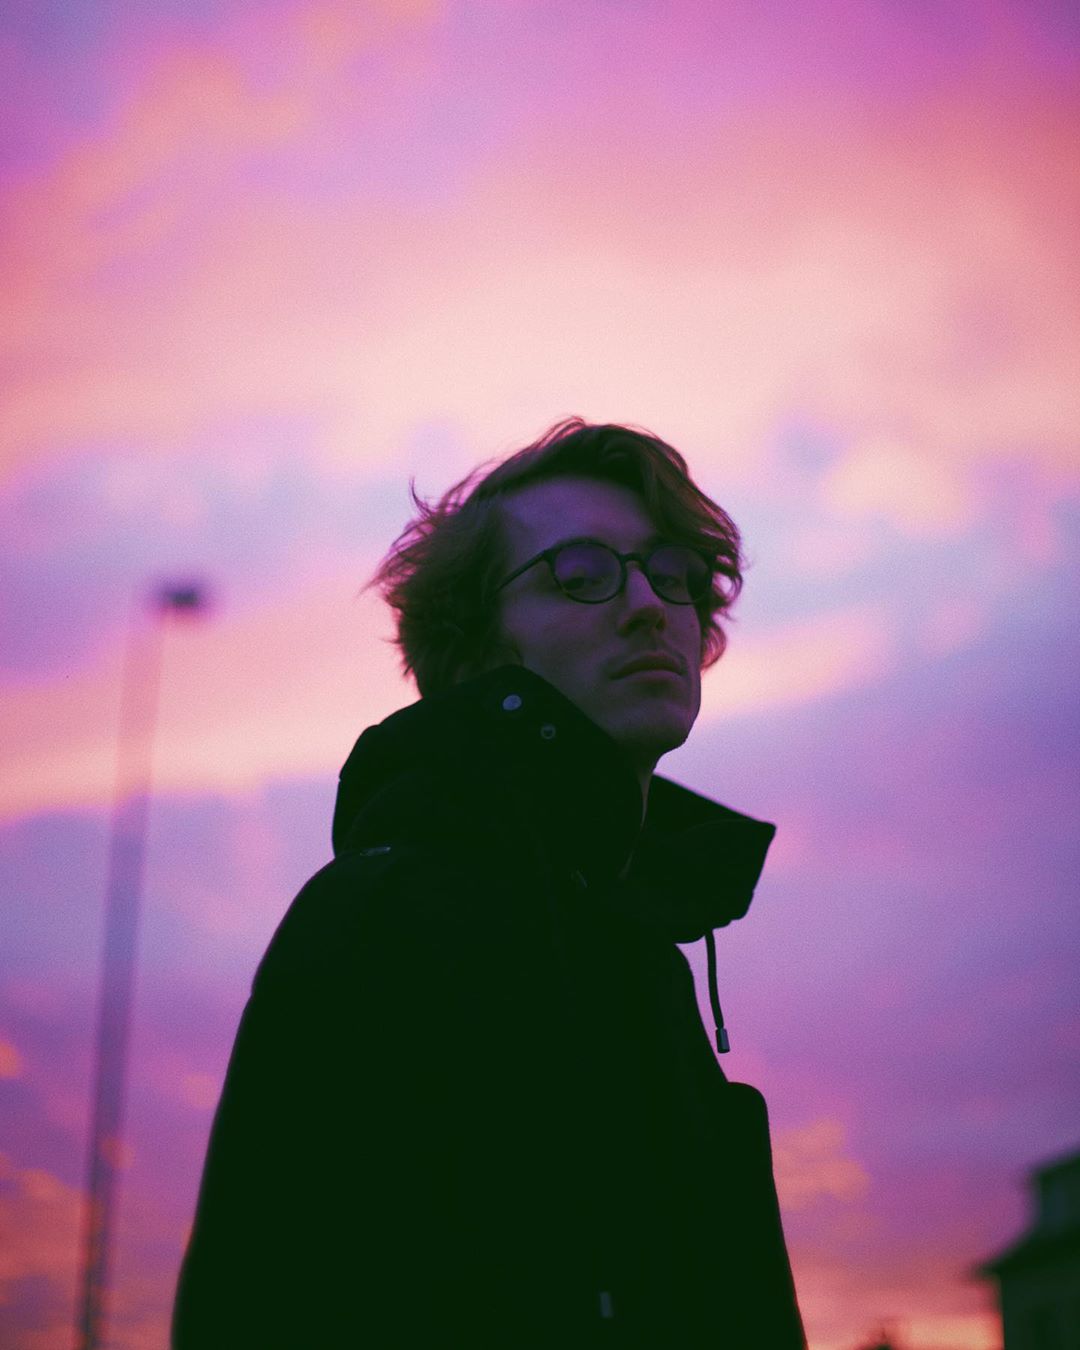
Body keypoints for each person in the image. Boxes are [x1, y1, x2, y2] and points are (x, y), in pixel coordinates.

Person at [172, 418, 807, 1348]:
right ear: (474, 650)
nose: (649, 605)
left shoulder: (642, 955)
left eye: (672, 573)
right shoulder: (385, 918)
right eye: (580, 573)